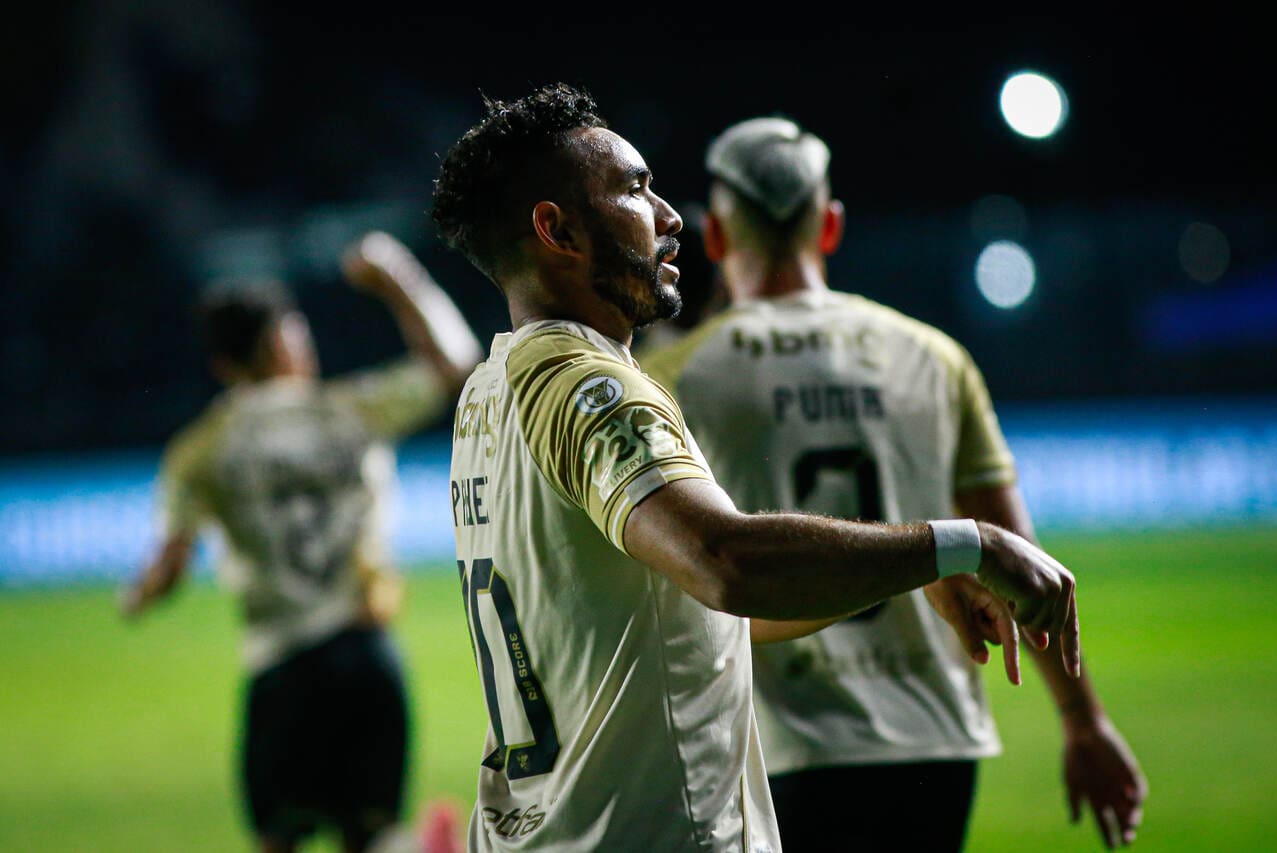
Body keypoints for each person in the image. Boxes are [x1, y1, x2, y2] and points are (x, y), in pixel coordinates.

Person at [432, 83, 1083, 853]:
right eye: (636, 189)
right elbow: (723, 561)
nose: (671, 217)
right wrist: (969, 542)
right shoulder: (589, 385)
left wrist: (904, 570)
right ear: (557, 229)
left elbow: (711, 608)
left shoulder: (491, 387)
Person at [641, 117, 1148, 851]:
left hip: (774, 748)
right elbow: (1023, 564)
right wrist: (1082, 719)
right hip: (931, 738)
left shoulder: (671, 378)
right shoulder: (934, 357)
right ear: (833, 227)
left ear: (715, 238)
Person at [119, 231, 482, 853]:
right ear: (286, 341)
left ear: (223, 365)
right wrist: (399, 279)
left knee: (277, 839)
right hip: (366, 657)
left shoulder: (199, 452)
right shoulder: (350, 410)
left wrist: (138, 596)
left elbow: (170, 569)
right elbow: (455, 363)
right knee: (370, 837)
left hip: (281, 667)